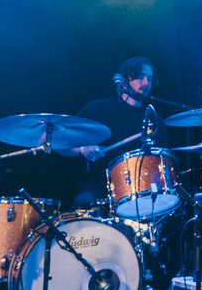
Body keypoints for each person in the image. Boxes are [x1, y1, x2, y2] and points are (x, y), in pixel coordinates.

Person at [62, 56, 176, 206]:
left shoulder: (155, 120)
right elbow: (61, 144)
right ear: (123, 81)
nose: (145, 83)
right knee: (82, 202)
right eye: (140, 77)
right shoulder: (98, 110)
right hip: (99, 187)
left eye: (149, 78)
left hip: (143, 189)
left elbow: (161, 161)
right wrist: (82, 150)